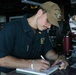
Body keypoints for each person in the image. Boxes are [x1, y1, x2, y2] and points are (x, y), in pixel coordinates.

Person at [0, 1, 68, 73]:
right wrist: (31, 64)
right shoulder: (11, 28)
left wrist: (60, 58)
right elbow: (1, 60)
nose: (49, 26)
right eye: (48, 20)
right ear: (40, 13)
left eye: (52, 24)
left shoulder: (42, 32)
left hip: (32, 72)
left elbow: (48, 51)